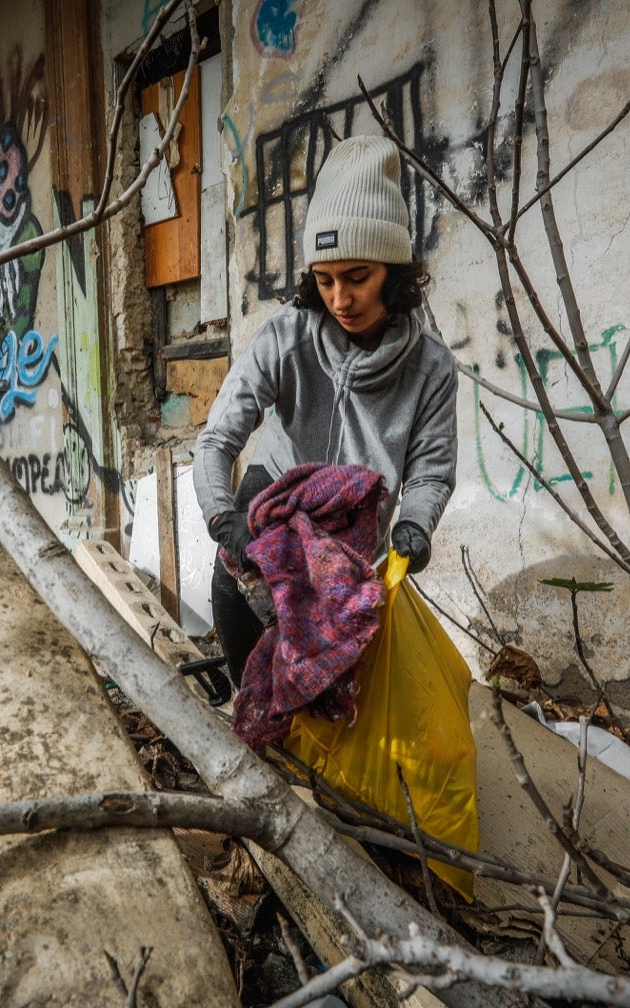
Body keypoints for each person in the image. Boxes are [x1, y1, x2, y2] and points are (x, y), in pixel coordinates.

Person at [194, 134, 460, 688]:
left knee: (332, 666)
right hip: (272, 494)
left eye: (357, 277)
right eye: (325, 279)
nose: (340, 298)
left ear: (395, 270)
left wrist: (414, 524)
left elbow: (431, 471)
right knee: (248, 635)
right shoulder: (286, 337)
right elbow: (218, 439)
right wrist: (224, 518)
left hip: (356, 533)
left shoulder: (431, 367)